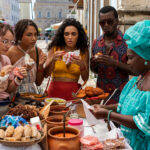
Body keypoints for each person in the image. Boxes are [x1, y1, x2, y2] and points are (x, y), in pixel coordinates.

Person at [90, 20, 150, 150]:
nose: (127, 62)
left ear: (145, 58)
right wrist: (105, 108)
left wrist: (108, 115)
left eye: (130, 58)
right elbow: (124, 104)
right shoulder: (136, 80)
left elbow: (142, 122)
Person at [90, 6, 132, 104]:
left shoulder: (127, 42)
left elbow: (135, 70)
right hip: (100, 97)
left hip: (121, 98)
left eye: (110, 21)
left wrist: (115, 63)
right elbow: (95, 71)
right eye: (102, 23)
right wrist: (93, 65)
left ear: (117, 21)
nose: (106, 25)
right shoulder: (96, 43)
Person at [44, 18, 89, 100]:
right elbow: (46, 74)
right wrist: (52, 60)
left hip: (73, 94)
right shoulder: (55, 48)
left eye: (73, 34)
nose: (70, 37)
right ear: (62, 35)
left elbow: (85, 78)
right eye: (66, 34)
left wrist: (82, 65)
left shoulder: (83, 51)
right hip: (54, 92)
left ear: (79, 35)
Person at [7, 19, 47, 94]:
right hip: (15, 97)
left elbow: (38, 83)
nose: (34, 38)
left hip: (33, 96)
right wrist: (19, 75)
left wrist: (40, 65)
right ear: (19, 35)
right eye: (29, 35)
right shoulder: (10, 52)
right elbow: (6, 86)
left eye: (35, 34)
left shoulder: (38, 51)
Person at [0, 23, 27, 116]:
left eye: (11, 42)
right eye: (4, 41)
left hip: (5, 105)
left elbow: (8, 90)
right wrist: (2, 75)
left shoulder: (5, 59)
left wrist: (18, 78)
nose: (8, 46)